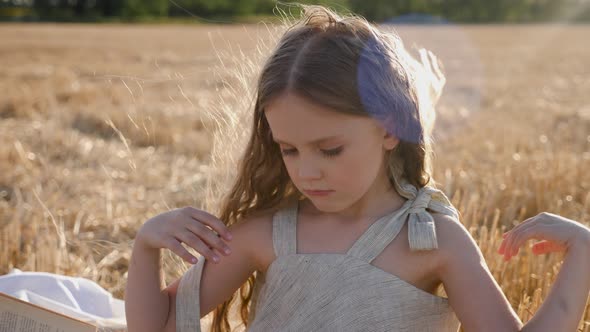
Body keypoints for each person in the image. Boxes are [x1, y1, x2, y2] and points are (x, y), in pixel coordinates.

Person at [124, 4, 590, 332]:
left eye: (329, 150)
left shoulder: (432, 240)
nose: (307, 172)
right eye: (289, 150)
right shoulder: (264, 234)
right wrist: (146, 246)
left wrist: (584, 254)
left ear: (390, 128)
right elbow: (161, 324)